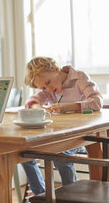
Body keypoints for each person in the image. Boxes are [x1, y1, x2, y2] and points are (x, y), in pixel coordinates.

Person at [21, 56, 103, 195]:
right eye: (43, 87)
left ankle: (70, 196)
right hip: (58, 135)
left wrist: (69, 107)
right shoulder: (49, 89)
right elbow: (32, 101)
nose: (48, 89)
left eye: (48, 82)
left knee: (60, 157)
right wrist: (38, 107)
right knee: (23, 155)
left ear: (56, 70)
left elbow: (96, 101)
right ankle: (41, 195)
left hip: (82, 135)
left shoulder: (79, 78)